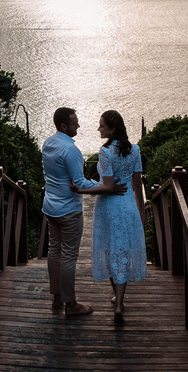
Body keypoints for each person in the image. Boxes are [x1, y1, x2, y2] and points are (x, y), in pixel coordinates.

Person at [41, 107, 125, 316]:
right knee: (68, 257)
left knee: (54, 251)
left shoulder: (48, 143)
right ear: (63, 126)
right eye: (74, 123)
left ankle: (57, 298)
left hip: (50, 206)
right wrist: (106, 187)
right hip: (69, 210)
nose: (78, 125)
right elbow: (79, 183)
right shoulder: (71, 150)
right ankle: (71, 305)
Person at [90, 109, 147, 323]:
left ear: (112, 129)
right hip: (129, 205)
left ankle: (118, 301)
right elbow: (137, 184)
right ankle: (119, 301)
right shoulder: (135, 150)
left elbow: (107, 186)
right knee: (122, 251)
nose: (99, 129)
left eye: (102, 125)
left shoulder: (105, 152)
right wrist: (141, 212)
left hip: (109, 206)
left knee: (109, 250)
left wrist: (82, 189)